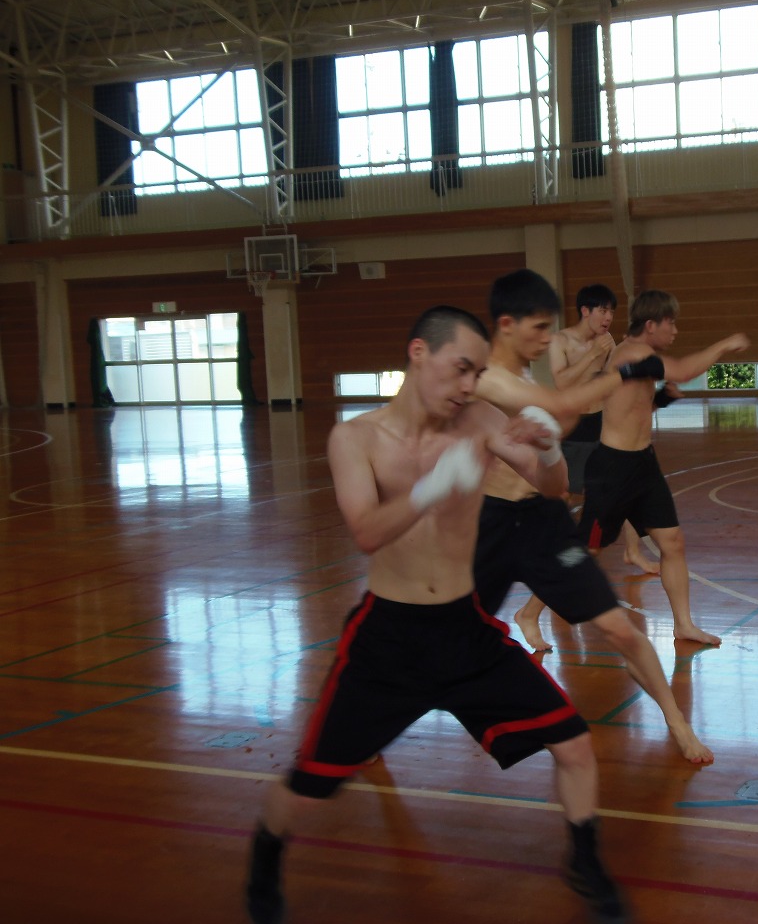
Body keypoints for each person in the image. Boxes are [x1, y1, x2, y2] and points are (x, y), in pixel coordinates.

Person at [244, 306, 626, 924]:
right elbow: (366, 532)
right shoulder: (356, 438)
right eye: (461, 369)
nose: (469, 385)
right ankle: (265, 855)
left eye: (477, 373)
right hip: (387, 642)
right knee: (312, 784)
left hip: (464, 631)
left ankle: (584, 862)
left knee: (575, 745)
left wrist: (552, 451)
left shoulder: (475, 420)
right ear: (419, 353)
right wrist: (430, 489)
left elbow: (552, 489)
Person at [471, 270, 714, 764]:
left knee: (621, 629)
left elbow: (558, 443)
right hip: (490, 525)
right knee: (441, 634)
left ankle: (677, 723)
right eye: (539, 330)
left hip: (539, 518)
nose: (547, 340)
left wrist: (548, 457)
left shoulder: (519, 378)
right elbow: (562, 402)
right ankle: (371, 723)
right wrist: (622, 372)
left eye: (549, 329)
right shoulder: (486, 379)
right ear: (507, 324)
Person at [576, 289, 750, 647]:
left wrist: (663, 400)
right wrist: (726, 344)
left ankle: (683, 625)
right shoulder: (634, 352)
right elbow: (685, 370)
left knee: (672, 542)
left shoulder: (640, 356)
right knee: (586, 550)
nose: (675, 330)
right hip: (613, 469)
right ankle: (530, 611)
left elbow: (635, 407)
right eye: (670, 323)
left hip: (642, 464)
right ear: (651, 324)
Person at [548, 282, 659, 576]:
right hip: (572, 427)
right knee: (566, 496)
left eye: (611, 311)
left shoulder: (609, 341)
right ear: (585, 311)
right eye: (602, 311)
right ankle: (565, 559)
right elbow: (562, 384)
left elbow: (613, 381)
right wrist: (594, 354)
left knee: (625, 491)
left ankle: (633, 552)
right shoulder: (561, 341)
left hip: (603, 424)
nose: (608, 317)